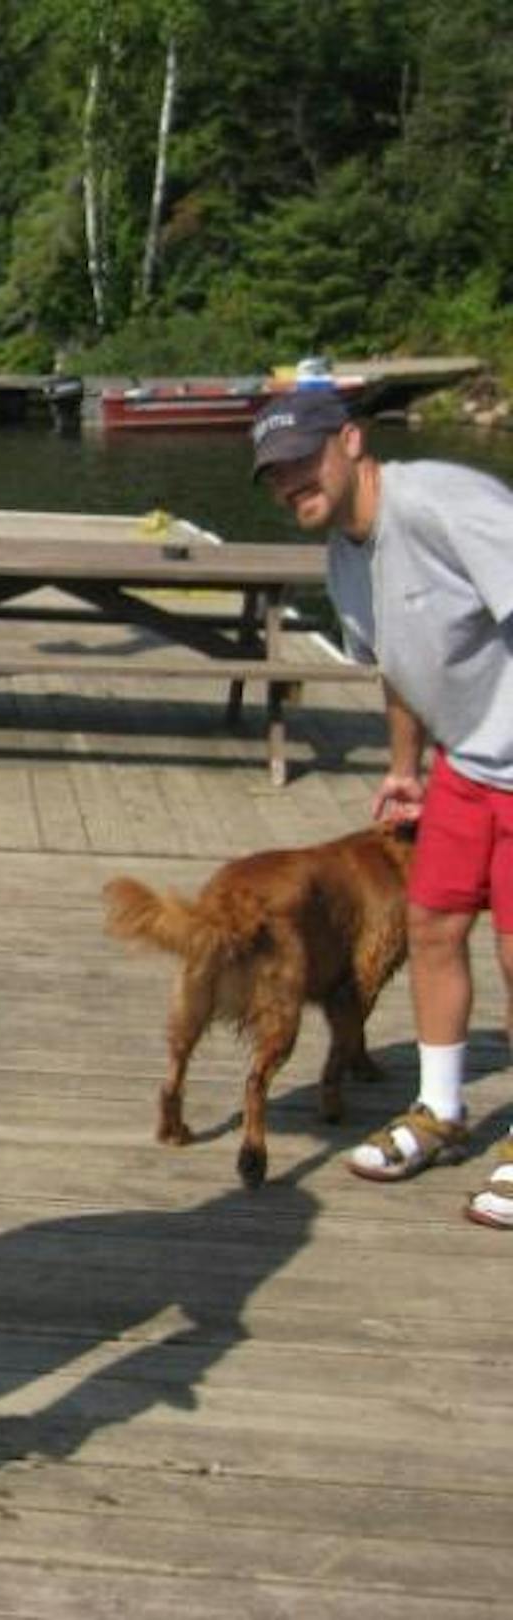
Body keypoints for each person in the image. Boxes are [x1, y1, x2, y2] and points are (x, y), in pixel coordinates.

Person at [251, 390, 513, 1224]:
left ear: (352, 441)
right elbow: (400, 666)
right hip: (465, 764)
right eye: (276, 473)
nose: (293, 480)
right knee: (431, 926)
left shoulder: (444, 504)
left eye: (304, 458)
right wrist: (406, 767)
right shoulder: (344, 555)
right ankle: (441, 1112)